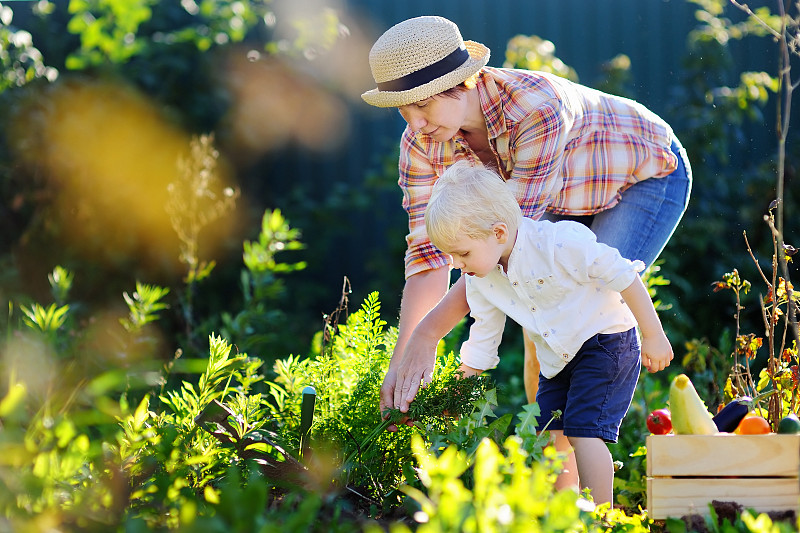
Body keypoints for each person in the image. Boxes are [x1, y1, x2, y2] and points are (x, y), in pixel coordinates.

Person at [360, 16, 691, 420]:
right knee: (539, 327)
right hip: (562, 195)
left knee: (578, 310)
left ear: (461, 82)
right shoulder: (420, 142)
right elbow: (429, 255)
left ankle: (584, 456)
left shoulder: (536, 108)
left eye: (423, 104)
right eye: (402, 110)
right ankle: (554, 468)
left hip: (644, 173)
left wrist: (430, 333)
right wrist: (406, 355)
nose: (415, 124)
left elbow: (508, 241)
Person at [423, 162, 673, 504]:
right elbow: (483, 340)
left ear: (498, 233)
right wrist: (456, 391)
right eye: (450, 255)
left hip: (606, 341)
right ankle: (566, 511)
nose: (455, 263)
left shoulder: (559, 243)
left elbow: (624, 275)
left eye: (462, 253)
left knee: (584, 432)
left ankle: (601, 519)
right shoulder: (480, 281)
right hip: (557, 360)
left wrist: (653, 334)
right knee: (546, 431)